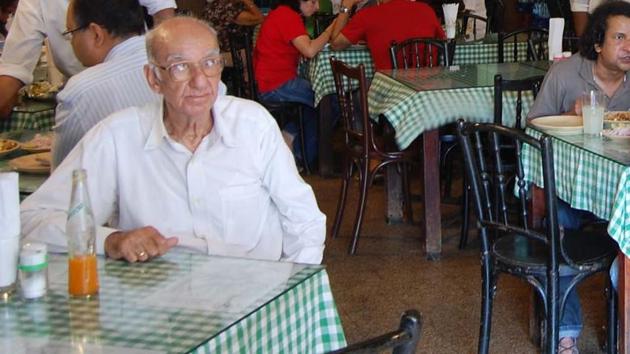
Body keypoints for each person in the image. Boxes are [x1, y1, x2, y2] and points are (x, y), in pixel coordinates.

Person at [20, 16, 326, 265]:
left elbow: (304, 219)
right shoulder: (117, 136)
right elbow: (32, 221)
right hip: (162, 304)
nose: (199, 81)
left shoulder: (253, 125)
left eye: (210, 63)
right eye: (180, 66)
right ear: (153, 79)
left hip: (254, 298)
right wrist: (110, 240)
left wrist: (293, 286)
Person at [527, 2, 630, 352]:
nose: (629, 45)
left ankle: (623, 319)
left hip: (618, 192)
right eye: (620, 37)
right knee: (560, 226)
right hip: (570, 188)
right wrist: (569, 118)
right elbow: (532, 130)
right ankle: (565, 332)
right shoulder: (566, 74)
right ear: (599, 43)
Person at [0, 0, 175, 119]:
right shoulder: (33, 3)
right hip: (82, 93)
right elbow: (14, 65)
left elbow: (165, 18)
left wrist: (167, 71)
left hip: (138, 77)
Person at [52, 0, 160, 167]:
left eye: (71, 33)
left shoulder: (81, 91)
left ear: (96, 34)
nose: (71, 42)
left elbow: (64, 174)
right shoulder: (189, 66)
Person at [253, 0, 336, 166]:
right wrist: (329, 30)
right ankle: (302, 156)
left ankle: (294, 147)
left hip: (271, 80)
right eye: (313, 2)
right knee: (330, 101)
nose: (317, 7)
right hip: (276, 84)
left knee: (316, 104)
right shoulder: (287, 16)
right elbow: (310, 50)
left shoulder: (281, 13)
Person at [329, 0, 445, 70]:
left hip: (389, 94)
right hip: (428, 90)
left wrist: (346, 5)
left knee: (339, 95)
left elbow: (336, 44)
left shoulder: (367, 16)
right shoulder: (427, 10)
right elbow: (444, 44)